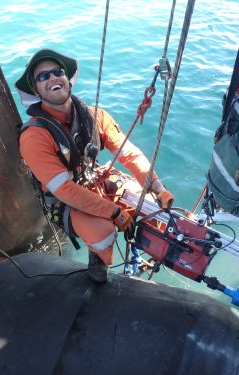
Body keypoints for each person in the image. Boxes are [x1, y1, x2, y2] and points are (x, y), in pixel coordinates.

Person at [15, 49, 174, 283]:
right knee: (103, 233)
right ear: (36, 90)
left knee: (155, 208)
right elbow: (64, 190)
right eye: (42, 77)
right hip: (65, 203)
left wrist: (158, 188)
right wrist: (113, 212)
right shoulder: (34, 137)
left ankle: (150, 255)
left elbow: (128, 153)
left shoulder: (95, 116)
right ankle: (98, 268)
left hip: (94, 182)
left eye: (57, 72)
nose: (52, 78)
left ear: (67, 79)